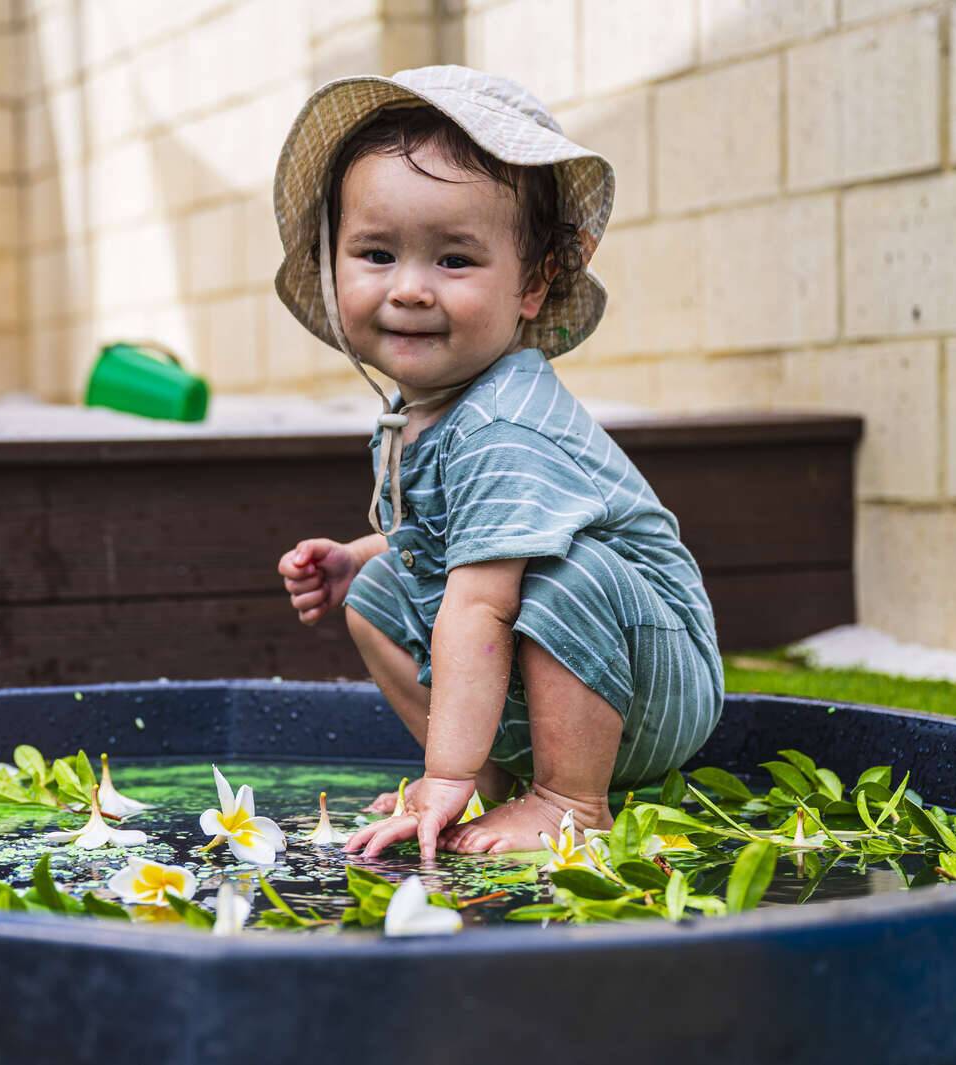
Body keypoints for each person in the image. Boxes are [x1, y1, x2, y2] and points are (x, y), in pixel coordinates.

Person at [270, 66, 723, 860]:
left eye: (453, 261)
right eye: (376, 253)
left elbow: (482, 602)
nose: (409, 289)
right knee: (378, 594)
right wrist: (360, 558)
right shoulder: (419, 411)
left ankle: (568, 797)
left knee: (554, 572)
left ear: (534, 284)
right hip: (568, 668)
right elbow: (456, 535)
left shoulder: (504, 422)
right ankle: (490, 778)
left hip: (654, 681)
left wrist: (436, 775)